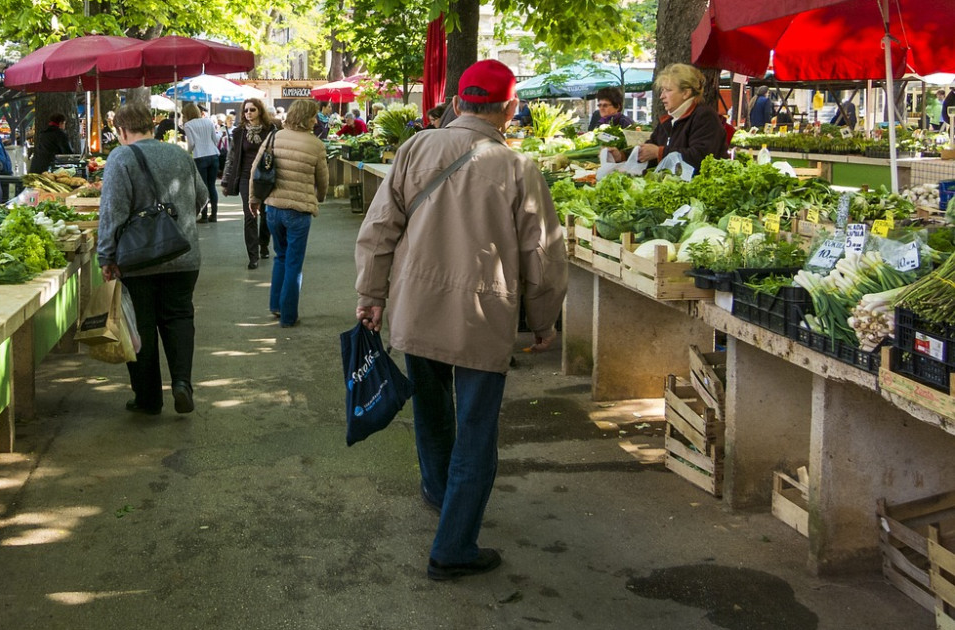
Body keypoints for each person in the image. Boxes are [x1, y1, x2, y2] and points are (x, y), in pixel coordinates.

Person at [354, 59, 568, 581]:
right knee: (477, 431)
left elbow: (380, 227)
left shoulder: (415, 148)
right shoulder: (518, 168)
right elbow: (543, 254)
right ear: (511, 110)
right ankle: (453, 546)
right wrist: (543, 321)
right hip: (481, 315)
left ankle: (438, 490)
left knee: (431, 411)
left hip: (417, 307)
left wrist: (371, 294)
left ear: (455, 103)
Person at [97, 103, 209, 416]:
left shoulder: (121, 157)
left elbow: (112, 212)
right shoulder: (179, 154)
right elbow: (201, 197)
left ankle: (148, 399)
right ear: (151, 124)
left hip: (138, 259)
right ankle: (183, 384)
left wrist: (105, 255)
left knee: (141, 326)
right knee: (179, 318)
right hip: (183, 254)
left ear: (120, 130)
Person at [247, 99, 326, 325]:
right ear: (306, 117)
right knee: (293, 263)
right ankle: (289, 317)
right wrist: (319, 198)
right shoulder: (316, 145)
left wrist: (254, 199)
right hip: (299, 211)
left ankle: (276, 306)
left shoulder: (274, 137)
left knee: (280, 257)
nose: (316, 119)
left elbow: (256, 169)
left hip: (273, 208)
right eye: (314, 115)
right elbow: (322, 179)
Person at [609, 63, 728, 175]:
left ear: (686, 93)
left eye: (668, 90)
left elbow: (701, 157)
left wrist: (659, 152)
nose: (662, 96)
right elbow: (649, 150)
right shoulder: (669, 121)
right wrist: (622, 156)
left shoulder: (704, 117)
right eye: (662, 90)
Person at [221, 97, 277, 269]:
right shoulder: (239, 133)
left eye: (252, 109)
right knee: (250, 216)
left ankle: (264, 244)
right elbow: (231, 157)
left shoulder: (271, 130)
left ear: (260, 110)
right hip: (246, 178)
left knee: (266, 215)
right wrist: (225, 181)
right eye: (246, 110)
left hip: (266, 177)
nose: (248, 113)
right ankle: (253, 256)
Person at [182, 103, 221, 223]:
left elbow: (192, 143)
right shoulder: (208, 122)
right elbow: (215, 139)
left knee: (202, 187)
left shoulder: (188, 125)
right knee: (212, 186)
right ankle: (214, 214)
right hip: (213, 155)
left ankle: (204, 215)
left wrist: (187, 154)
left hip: (200, 156)